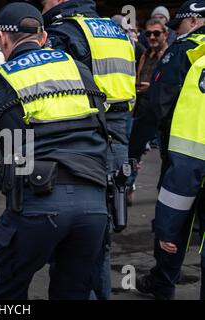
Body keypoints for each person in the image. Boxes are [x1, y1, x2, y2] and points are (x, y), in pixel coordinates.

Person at [0, 2, 109, 300]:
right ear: (43, 36)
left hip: (36, 206)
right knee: (74, 292)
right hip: (94, 205)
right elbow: (103, 131)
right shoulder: (79, 70)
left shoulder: (2, 82)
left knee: (10, 293)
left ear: (2, 39)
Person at [41, 0, 136, 300]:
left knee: (72, 240)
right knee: (100, 235)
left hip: (82, 136)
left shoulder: (65, 30)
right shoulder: (114, 29)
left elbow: (53, 88)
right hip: (117, 134)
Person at [132, 1, 205, 300]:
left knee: (174, 220)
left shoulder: (186, 49)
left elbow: (156, 105)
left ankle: (163, 280)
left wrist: (133, 148)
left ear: (196, 20)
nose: (179, 30)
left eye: (182, 24)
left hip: (186, 152)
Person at [127, 19, 169, 203]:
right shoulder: (145, 54)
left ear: (165, 34)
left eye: (156, 33)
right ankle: (128, 187)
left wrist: (150, 87)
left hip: (160, 115)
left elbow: (168, 86)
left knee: (166, 157)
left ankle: (166, 196)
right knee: (132, 154)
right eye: (148, 33)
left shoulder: (169, 54)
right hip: (141, 111)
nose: (151, 37)